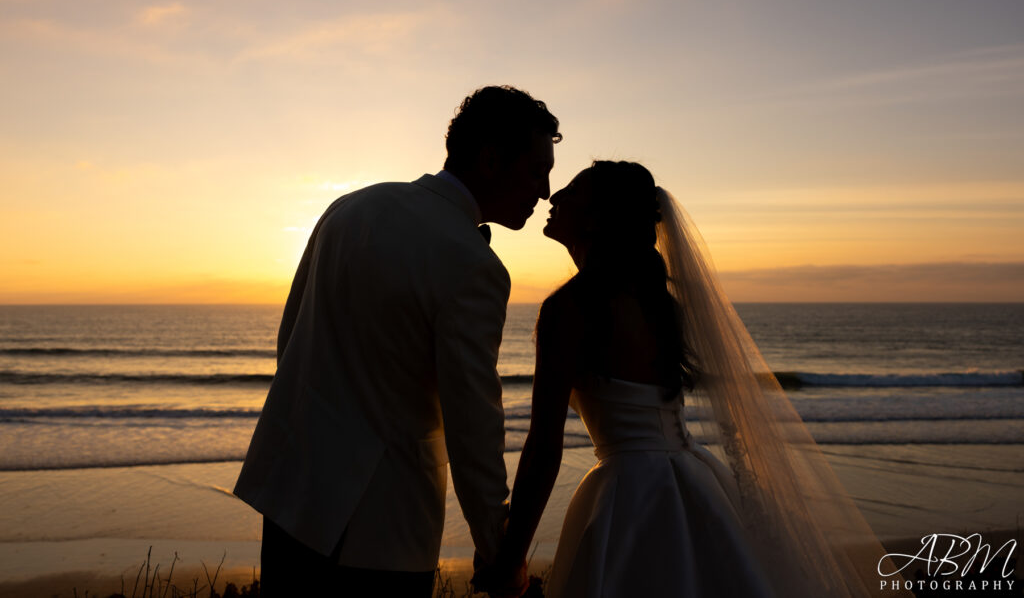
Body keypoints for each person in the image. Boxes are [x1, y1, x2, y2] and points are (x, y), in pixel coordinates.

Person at [474, 161, 908, 597]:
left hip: (630, 500)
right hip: (695, 480)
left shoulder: (569, 310)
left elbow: (544, 446)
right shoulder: (661, 305)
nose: (554, 197)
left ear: (598, 217)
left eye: (571, 191)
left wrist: (513, 558)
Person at [233, 85, 561, 597]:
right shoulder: (475, 266)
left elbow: (292, 336)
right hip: (380, 526)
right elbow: (472, 420)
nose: (544, 191)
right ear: (491, 158)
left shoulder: (348, 208)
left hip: (290, 497)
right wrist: (497, 547)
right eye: (538, 169)